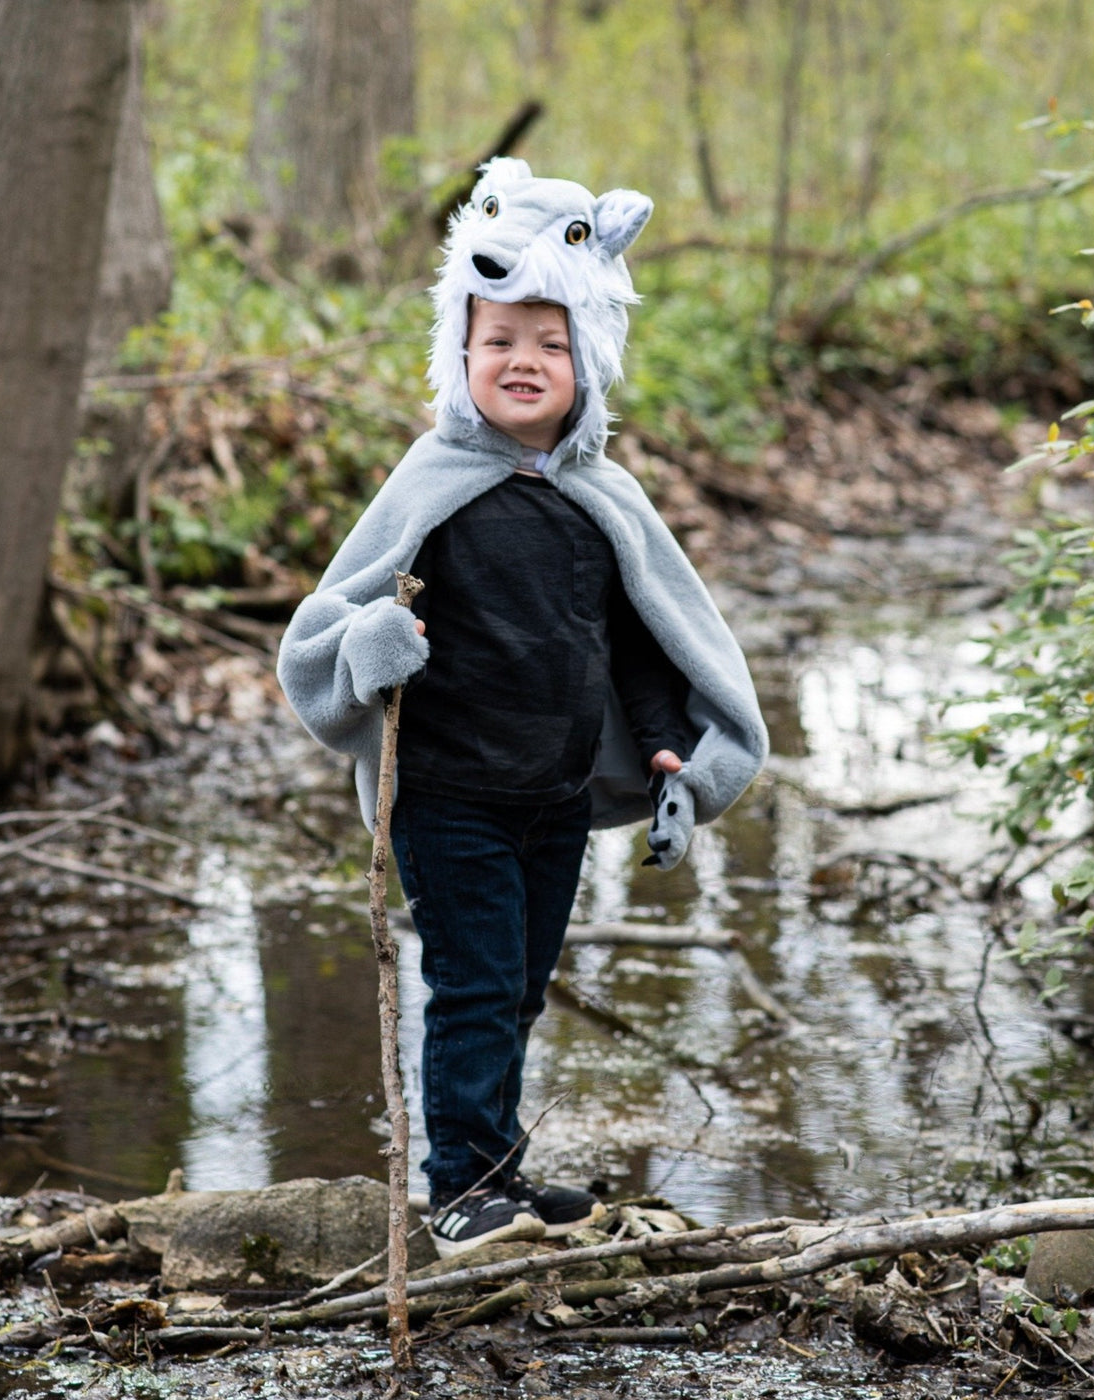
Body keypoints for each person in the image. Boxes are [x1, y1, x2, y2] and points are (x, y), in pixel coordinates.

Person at [277, 159, 768, 1257]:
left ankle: (497, 1169)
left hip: (550, 796)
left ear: (587, 361)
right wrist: (371, 645)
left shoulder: (601, 501)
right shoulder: (431, 482)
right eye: (498, 340)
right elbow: (334, 621)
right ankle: (459, 1189)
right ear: (461, 354)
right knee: (473, 982)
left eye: (548, 344)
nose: (523, 362)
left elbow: (640, 640)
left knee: (520, 990)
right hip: (445, 790)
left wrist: (666, 747)